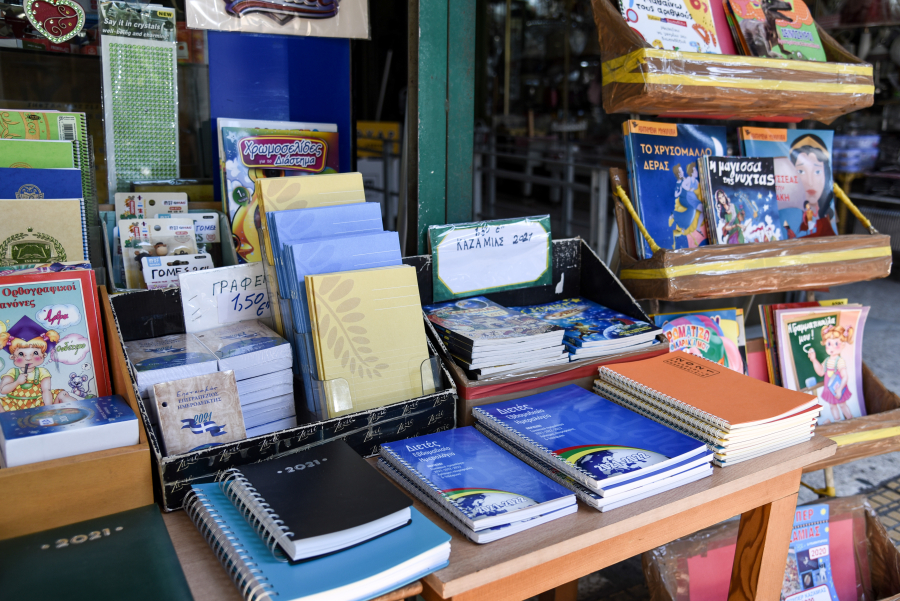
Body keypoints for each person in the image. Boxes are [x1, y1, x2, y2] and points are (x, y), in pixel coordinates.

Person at [0, 316, 77, 411]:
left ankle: (81, 414)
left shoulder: (42, 372)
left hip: (39, 403)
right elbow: (3, 390)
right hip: (14, 405)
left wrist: (49, 409)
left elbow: (46, 391)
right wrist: (17, 382)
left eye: (35, 353)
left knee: (63, 394)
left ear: (43, 356)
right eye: (21, 354)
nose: (28, 358)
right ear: (13, 357)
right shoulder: (12, 372)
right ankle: (7, 424)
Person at [791, 134, 836, 237]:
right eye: (801, 171)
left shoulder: (827, 218)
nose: (810, 182)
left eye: (817, 172)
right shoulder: (786, 215)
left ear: (826, 175)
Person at [807, 325, 855, 421]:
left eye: (836, 343)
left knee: (842, 405)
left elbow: (845, 376)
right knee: (832, 406)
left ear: (842, 345)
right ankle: (837, 422)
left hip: (839, 388)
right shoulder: (827, 360)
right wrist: (814, 360)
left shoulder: (840, 361)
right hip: (829, 388)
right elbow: (820, 372)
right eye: (829, 344)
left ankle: (850, 420)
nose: (831, 347)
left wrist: (840, 389)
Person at [669, 162, 707, 249]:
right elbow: (676, 194)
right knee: (692, 209)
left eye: (682, 171)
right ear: (678, 173)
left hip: (691, 197)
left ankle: (688, 226)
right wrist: (684, 189)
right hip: (685, 199)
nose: (682, 172)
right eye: (680, 171)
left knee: (700, 209)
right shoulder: (680, 181)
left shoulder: (687, 179)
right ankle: (676, 217)